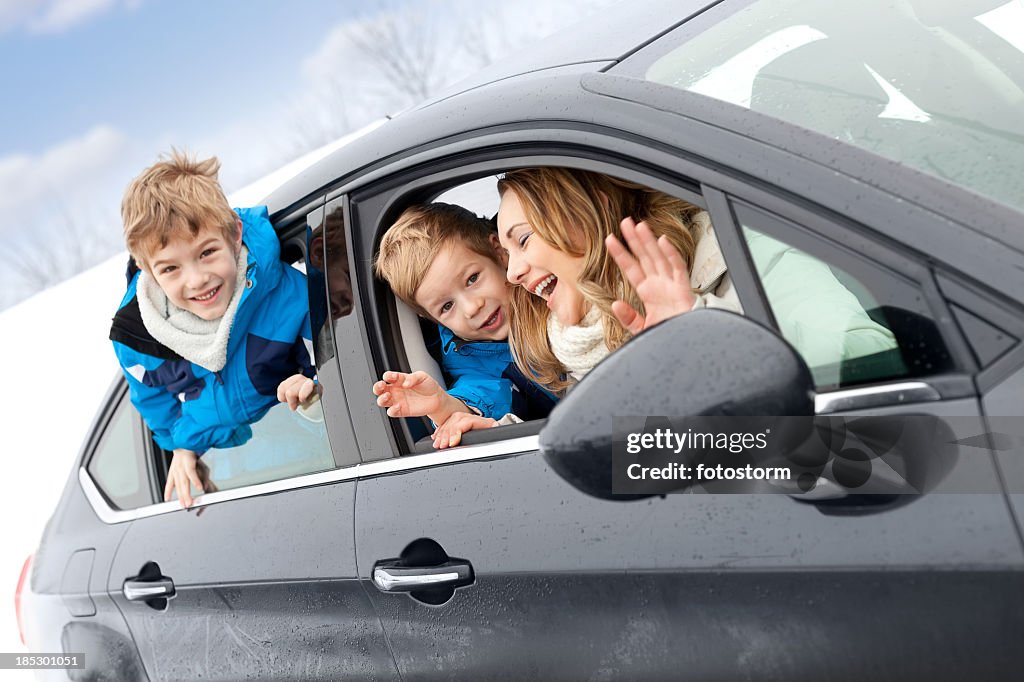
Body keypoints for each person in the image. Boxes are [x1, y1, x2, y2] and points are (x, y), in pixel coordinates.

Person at [496, 167, 895, 394]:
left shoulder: (737, 253)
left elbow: (873, 362)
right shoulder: (578, 346)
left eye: (524, 239)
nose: (513, 272)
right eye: (506, 253)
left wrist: (705, 331)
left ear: (590, 211)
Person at [109, 151, 317, 509]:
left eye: (206, 253)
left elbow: (336, 365)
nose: (197, 279)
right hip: (231, 487)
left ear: (235, 235)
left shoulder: (289, 298)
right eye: (171, 269)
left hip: (308, 459)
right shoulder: (139, 339)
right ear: (146, 270)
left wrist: (308, 387)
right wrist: (182, 444)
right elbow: (151, 399)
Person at [372, 202, 557, 448]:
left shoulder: (549, 286)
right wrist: (445, 407)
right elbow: (482, 393)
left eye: (472, 279)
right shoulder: (470, 358)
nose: (472, 308)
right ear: (434, 320)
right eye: (447, 307)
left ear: (498, 252)